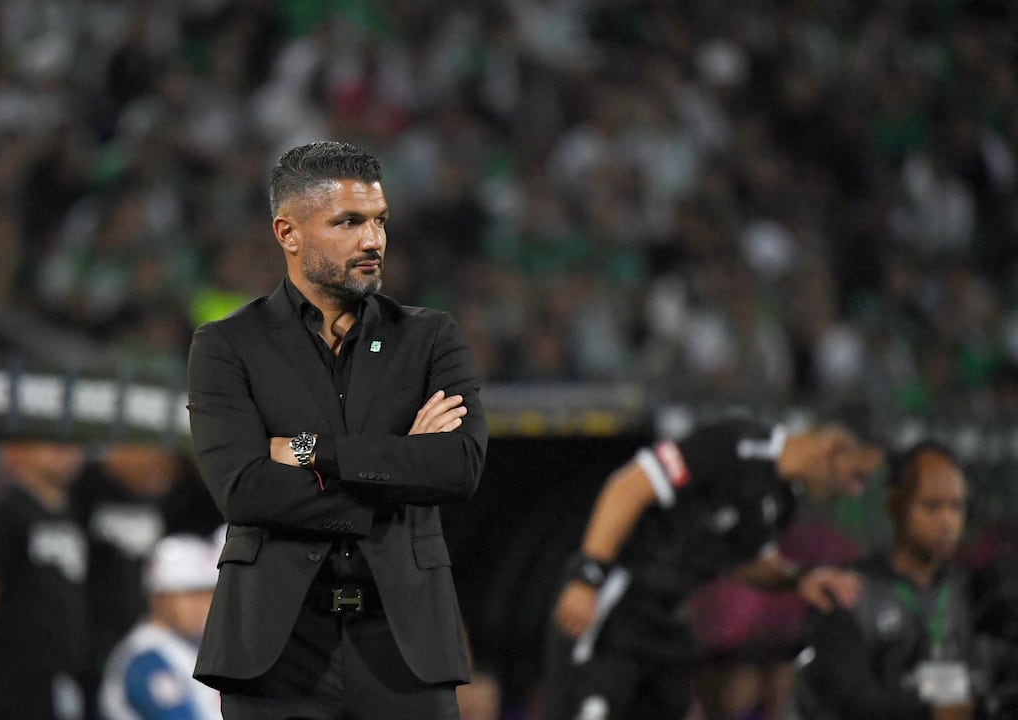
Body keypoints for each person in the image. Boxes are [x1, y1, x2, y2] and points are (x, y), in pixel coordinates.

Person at [185, 140, 488, 719]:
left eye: (379, 222)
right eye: (348, 222)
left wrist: (308, 452)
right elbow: (244, 488)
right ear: (288, 232)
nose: (373, 241)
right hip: (275, 655)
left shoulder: (431, 338)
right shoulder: (226, 346)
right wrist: (397, 470)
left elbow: (458, 467)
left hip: (405, 649)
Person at [539, 416, 885, 720]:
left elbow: (743, 564)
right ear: (832, 449)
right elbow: (628, 487)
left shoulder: (783, 502)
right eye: (857, 476)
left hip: (668, 625)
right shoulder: (733, 446)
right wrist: (588, 576)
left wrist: (801, 578)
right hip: (615, 606)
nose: (854, 491)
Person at [794, 440, 979, 720]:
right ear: (896, 503)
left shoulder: (968, 591)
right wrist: (929, 711)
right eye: (932, 506)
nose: (947, 522)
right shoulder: (851, 592)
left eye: (956, 507)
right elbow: (851, 701)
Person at [0, 441, 88, 720]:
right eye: (51, 444)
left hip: (64, 673)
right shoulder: (6, 509)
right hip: (15, 674)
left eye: (71, 445)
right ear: (20, 450)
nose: (63, 452)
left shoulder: (76, 511)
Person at [69, 442, 176, 707]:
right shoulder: (86, 484)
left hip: (144, 633)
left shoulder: (163, 498)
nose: (151, 462)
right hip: (93, 637)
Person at [99, 532, 224, 720]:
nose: (204, 605)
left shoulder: (194, 645)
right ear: (159, 598)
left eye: (208, 594)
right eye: (191, 594)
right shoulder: (144, 657)